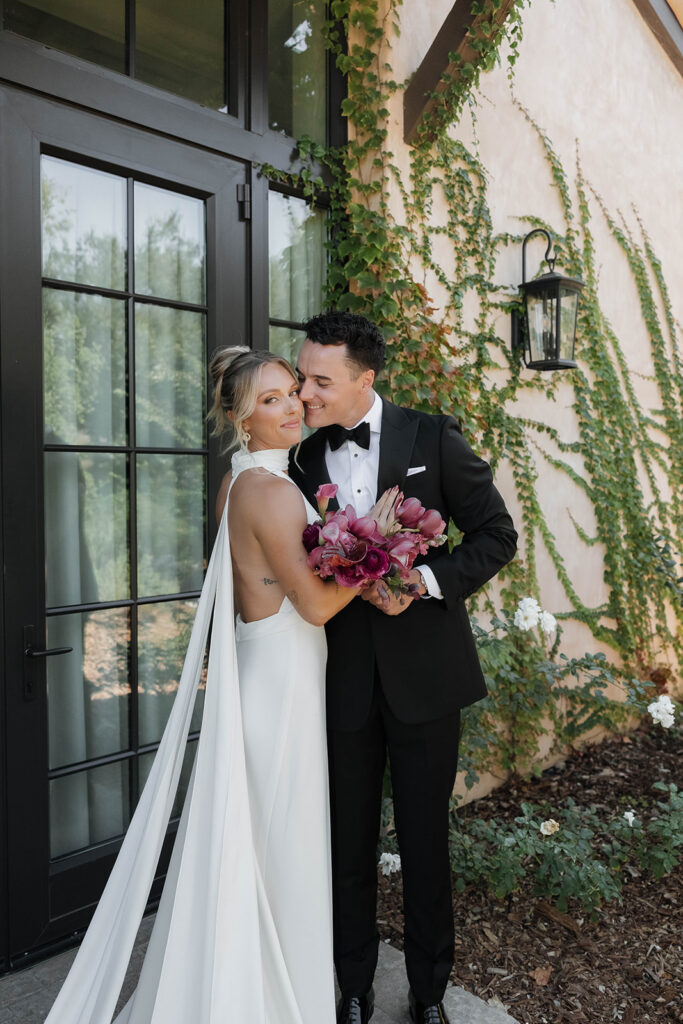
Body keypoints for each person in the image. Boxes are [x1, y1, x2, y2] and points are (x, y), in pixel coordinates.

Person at [44, 348, 360, 1024]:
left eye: (290, 393)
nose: (291, 407)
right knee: (283, 854)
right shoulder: (270, 492)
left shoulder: (240, 480)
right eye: (269, 401)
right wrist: (380, 554)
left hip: (265, 672)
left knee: (264, 850)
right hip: (280, 685)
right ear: (240, 419)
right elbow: (314, 605)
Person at [289, 312, 518, 1024]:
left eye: (319, 380)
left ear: (365, 379)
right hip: (340, 681)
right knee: (345, 843)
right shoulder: (300, 460)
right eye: (301, 377)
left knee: (425, 843)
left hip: (425, 676)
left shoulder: (433, 437)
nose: (304, 394)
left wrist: (420, 582)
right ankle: (351, 988)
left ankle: (426, 995)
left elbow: (496, 536)